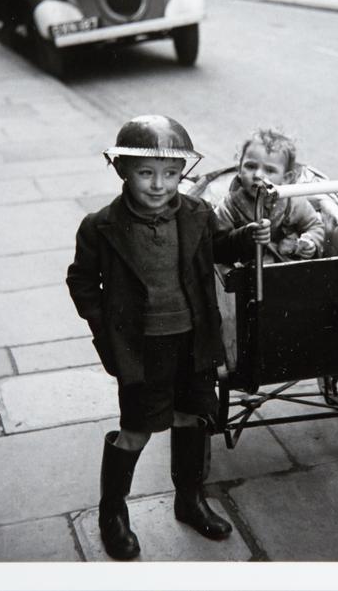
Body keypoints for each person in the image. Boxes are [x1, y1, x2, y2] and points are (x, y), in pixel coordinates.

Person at [66, 115, 270, 561]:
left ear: (183, 173)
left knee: (192, 418)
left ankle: (190, 498)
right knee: (136, 430)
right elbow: (81, 282)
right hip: (141, 350)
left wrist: (246, 237)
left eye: (171, 174)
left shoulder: (197, 214)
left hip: (192, 342)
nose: (159, 184)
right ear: (122, 170)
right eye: (146, 173)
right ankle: (112, 513)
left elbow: (219, 247)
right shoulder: (99, 226)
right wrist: (107, 332)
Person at [215, 128, 325, 261]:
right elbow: (218, 243)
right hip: (246, 265)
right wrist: (244, 237)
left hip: (284, 263)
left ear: (286, 178)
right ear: (239, 169)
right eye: (250, 166)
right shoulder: (229, 206)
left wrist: (310, 242)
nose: (258, 175)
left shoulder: (292, 201)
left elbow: (315, 225)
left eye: (269, 170)